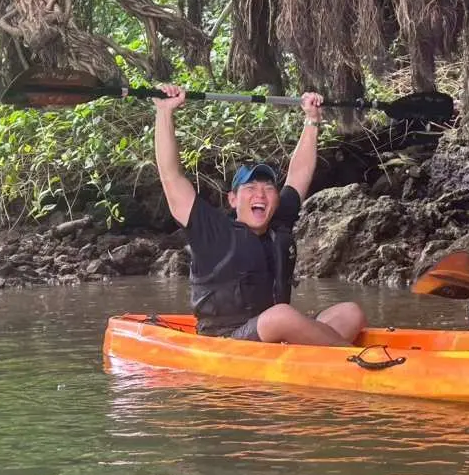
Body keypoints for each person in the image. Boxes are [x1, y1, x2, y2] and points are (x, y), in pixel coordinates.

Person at [153, 84, 366, 345]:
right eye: (250, 188)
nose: (261, 195)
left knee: (349, 313)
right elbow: (171, 176)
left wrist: (312, 120)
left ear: (276, 199)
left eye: (268, 188)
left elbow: (298, 174)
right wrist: (164, 113)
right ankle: (351, 361)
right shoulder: (212, 230)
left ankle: (320, 357)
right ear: (233, 199)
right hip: (227, 338)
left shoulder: (278, 221)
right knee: (281, 316)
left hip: (272, 333)